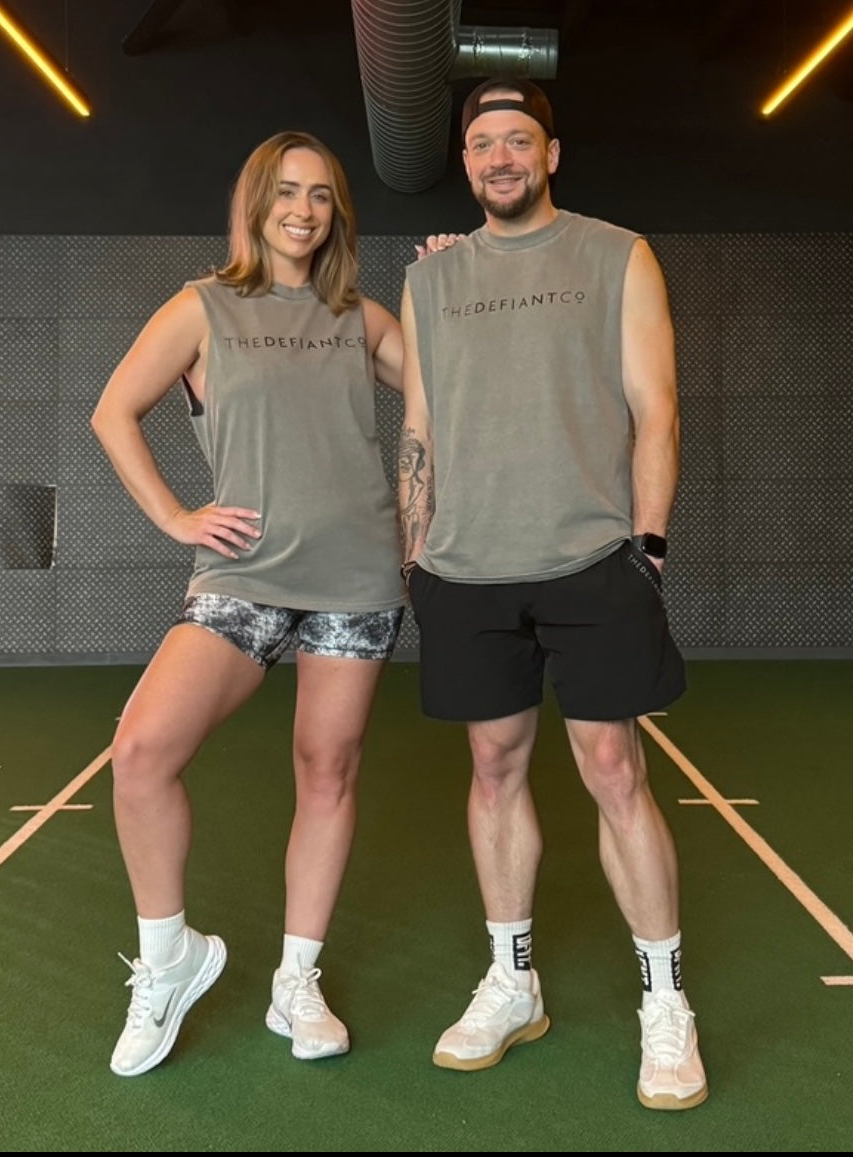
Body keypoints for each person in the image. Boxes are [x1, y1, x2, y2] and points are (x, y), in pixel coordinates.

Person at [398, 78, 708, 1111]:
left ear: (552, 153)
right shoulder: (430, 282)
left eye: (516, 140)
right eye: (482, 143)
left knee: (614, 766)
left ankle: (666, 1004)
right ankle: (511, 978)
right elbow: (422, 427)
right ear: (469, 160)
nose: (498, 157)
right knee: (493, 765)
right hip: (466, 568)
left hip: (590, 559)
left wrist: (648, 549)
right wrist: (415, 553)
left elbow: (654, 408)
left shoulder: (618, 253)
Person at [91, 130, 410, 1077]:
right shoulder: (203, 307)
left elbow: (453, 383)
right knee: (142, 750)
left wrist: (446, 279)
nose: (305, 211)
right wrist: (177, 516)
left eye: (322, 196)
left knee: (328, 771)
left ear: (337, 213)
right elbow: (114, 410)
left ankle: (295, 982)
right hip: (245, 576)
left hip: (357, 576)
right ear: (257, 201)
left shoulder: (362, 316)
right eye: (289, 193)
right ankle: (169, 959)